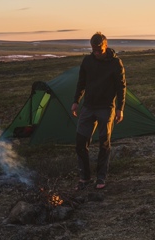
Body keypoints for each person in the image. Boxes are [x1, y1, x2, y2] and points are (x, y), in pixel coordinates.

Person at [71, 32, 126, 190]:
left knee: (104, 144)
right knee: (80, 142)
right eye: (94, 50)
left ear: (106, 46)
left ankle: (101, 178)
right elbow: (81, 82)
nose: (96, 53)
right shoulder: (87, 61)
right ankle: (85, 178)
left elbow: (121, 88)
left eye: (99, 50)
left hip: (106, 108)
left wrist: (120, 109)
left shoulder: (116, 63)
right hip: (88, 107)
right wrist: (76, 101)